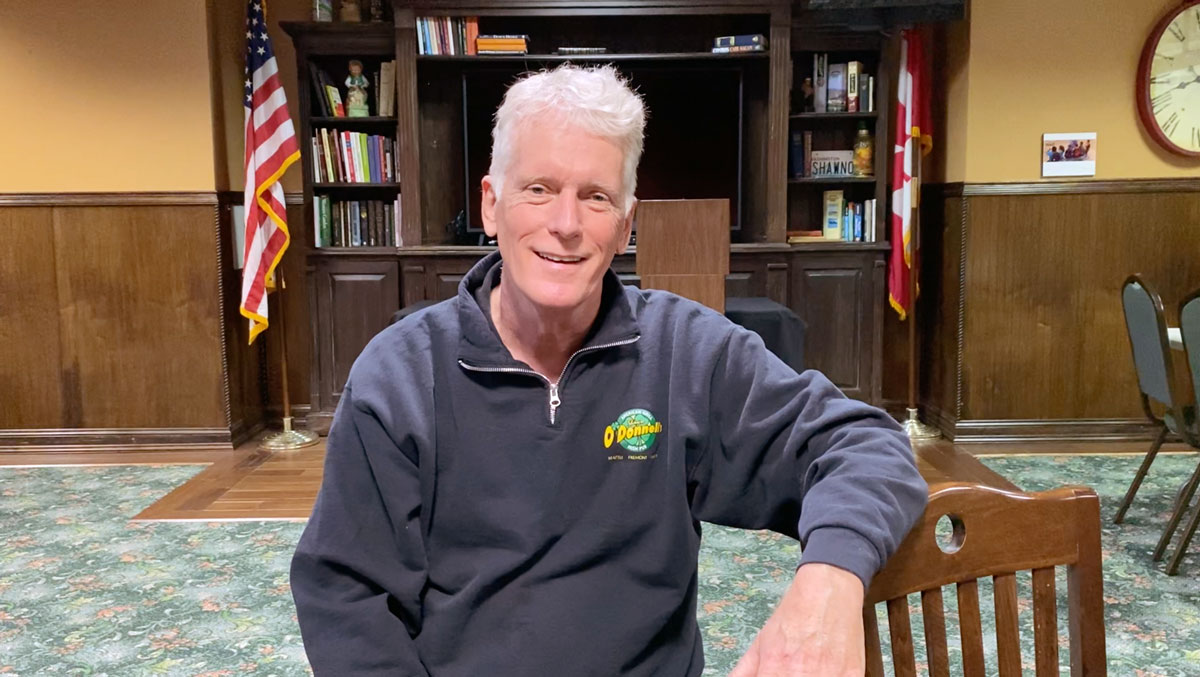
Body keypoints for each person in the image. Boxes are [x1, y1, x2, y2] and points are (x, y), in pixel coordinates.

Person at [291, 64, 928, 676]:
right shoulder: (400, 375)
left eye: (595, 197)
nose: (565, 224)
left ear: (625, 225)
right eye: (538, 189)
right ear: (491, 204)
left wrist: (829, 580)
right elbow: (347, 596)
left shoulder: (688, 353)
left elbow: (866, 447)